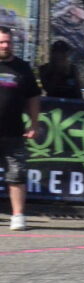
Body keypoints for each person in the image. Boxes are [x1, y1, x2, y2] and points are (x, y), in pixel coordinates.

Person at [0, 26, 42, 231]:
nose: (5, 45)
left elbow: (33, 97)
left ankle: (18, 215)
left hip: (13, 132)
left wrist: (34, 123)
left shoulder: (22, 68)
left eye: (8, 42)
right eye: (1, 42)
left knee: (16, 175)